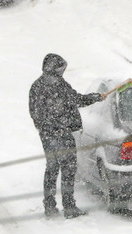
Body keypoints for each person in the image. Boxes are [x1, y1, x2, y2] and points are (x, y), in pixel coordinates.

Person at [29, 53, 105, 219]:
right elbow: (76, 100)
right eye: (61, 68)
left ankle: (49, 206)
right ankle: (69, 207)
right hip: (62, 133)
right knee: (68, 169)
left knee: (52, 168)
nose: (63, 71)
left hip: (47, 136)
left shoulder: (36, 86)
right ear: (55, 68)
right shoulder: (58, 85)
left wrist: (45, 128)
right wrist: (95, 97)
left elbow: (34, 113)